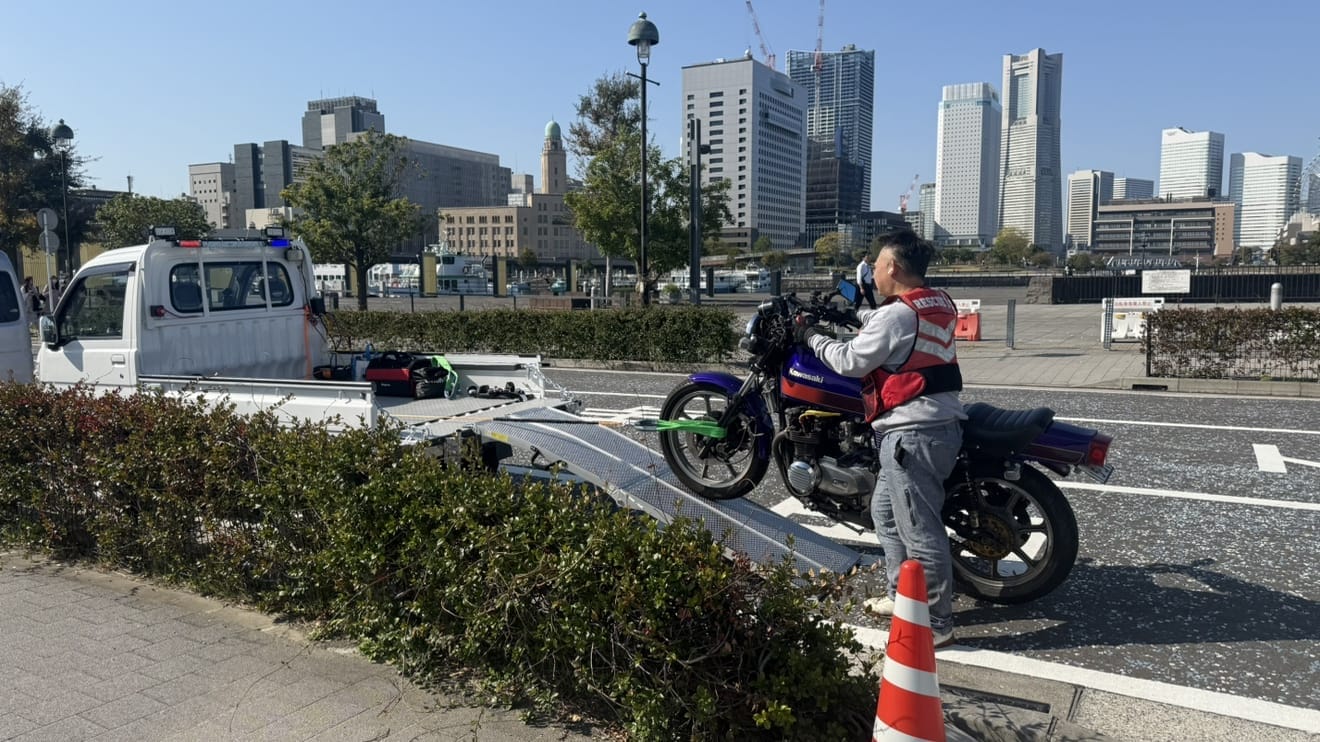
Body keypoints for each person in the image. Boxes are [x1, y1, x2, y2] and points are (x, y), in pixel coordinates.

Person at [796, 229, 965, 648]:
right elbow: (889, 325)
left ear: (893, 267)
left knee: (921, 530)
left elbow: (851, 361)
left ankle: (937, 622)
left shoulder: (897, 315)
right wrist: (854, 319)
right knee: (885, 514)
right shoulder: (938, 301)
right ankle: (900, 596)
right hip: (932, 425)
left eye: (876, 262)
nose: (871, 269)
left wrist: (810, 337)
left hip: (913, 434)